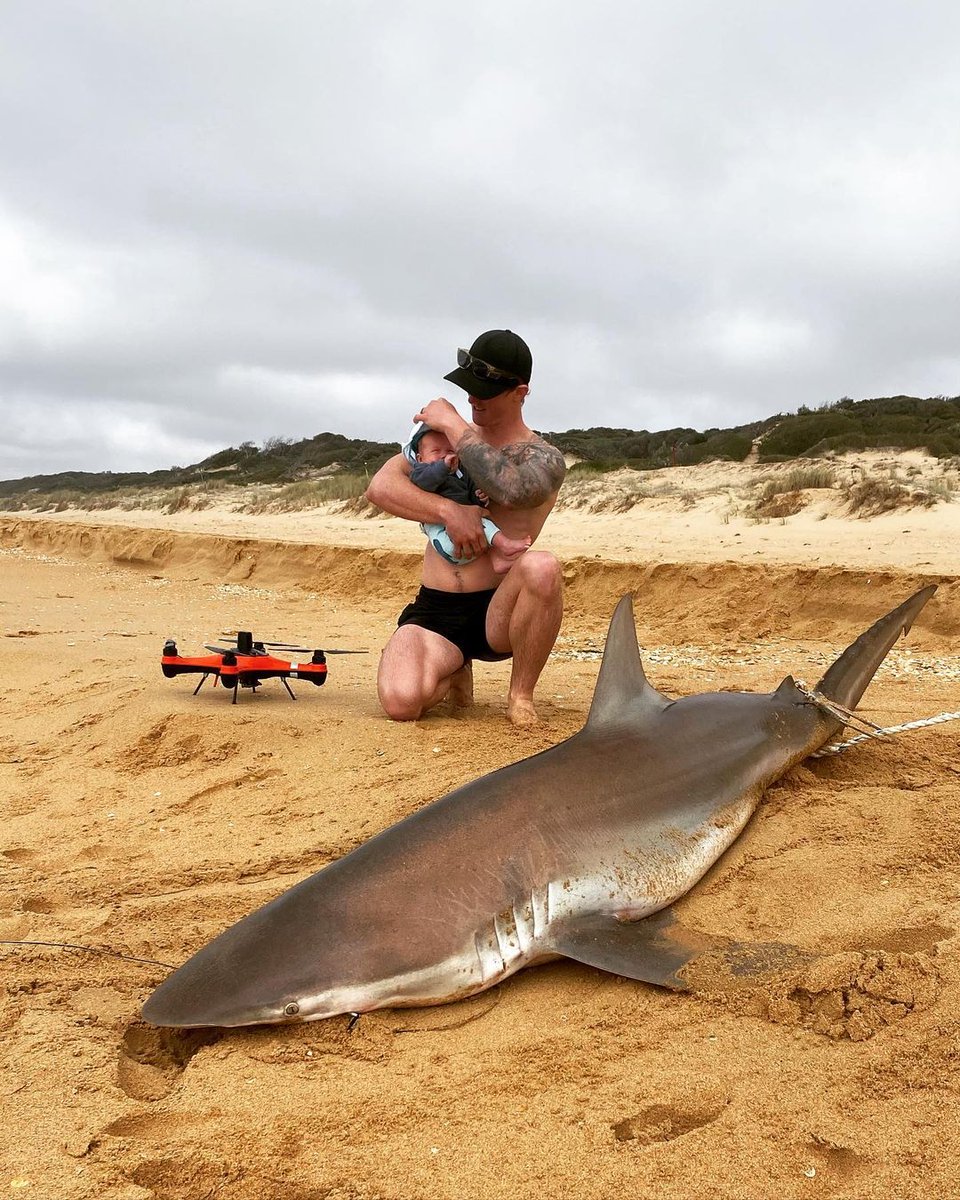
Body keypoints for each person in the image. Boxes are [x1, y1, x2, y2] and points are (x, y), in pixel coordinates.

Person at [365, 329, 566, 728]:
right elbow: (380, 487)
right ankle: (453, 665)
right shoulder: (440, 442)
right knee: (401, 703)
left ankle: (520, 694)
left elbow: (512, 488)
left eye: (484, 391)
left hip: (499, 611)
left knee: (543, 568)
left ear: (520, 392)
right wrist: (447, 511)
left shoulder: (543, 457)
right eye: (468, 390)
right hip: (438, 607)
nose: (472, 398)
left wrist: (456, 423)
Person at [405, 424, 532, 574]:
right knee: (476, 530)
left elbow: (471, 493)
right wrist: (443, 467)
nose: (444, 455)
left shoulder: (461, 472)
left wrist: (480, 496)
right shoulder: (421, 472)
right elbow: (425, 482)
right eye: (436, 451)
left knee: (482, 522)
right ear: (420, 458)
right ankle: (503, 545)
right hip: (439, 528)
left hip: (467, 525)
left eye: (450, 451)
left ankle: (498, 557)